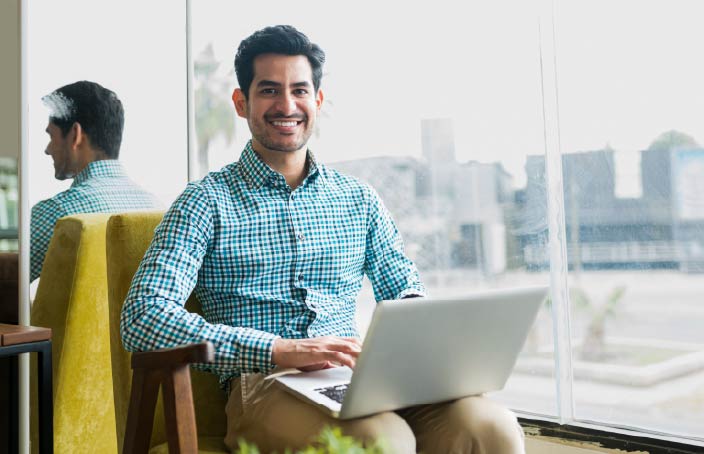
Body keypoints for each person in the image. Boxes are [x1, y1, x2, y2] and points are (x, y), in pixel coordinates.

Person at [121, 25, 524, 453]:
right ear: (242, 103)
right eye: (269, 91)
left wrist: (413, 346)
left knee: (489, 428)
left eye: (299, 90)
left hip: (360, 380)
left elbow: (405, 290)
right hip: (265, 386)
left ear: (318, 101)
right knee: (381, 440)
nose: (287, 105)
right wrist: (278, 349)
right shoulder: (206, 201)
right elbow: (144, 317)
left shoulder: (359, 199)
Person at [31, 81, 161, 282]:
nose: (47, 149)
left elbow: (10, 279)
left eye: (51, 135)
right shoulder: (157, 208)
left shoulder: (58, 214)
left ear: (75, 134)